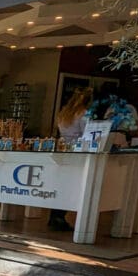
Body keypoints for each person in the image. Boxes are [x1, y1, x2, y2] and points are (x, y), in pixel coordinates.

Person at [49, 88, 92, 230]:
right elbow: (87, 134)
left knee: (60, 183)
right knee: (71, 185)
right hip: (76, 153)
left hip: (62, 150)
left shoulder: (64, 113)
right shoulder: (83, 114)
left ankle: (54, 216)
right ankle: (60, 217)